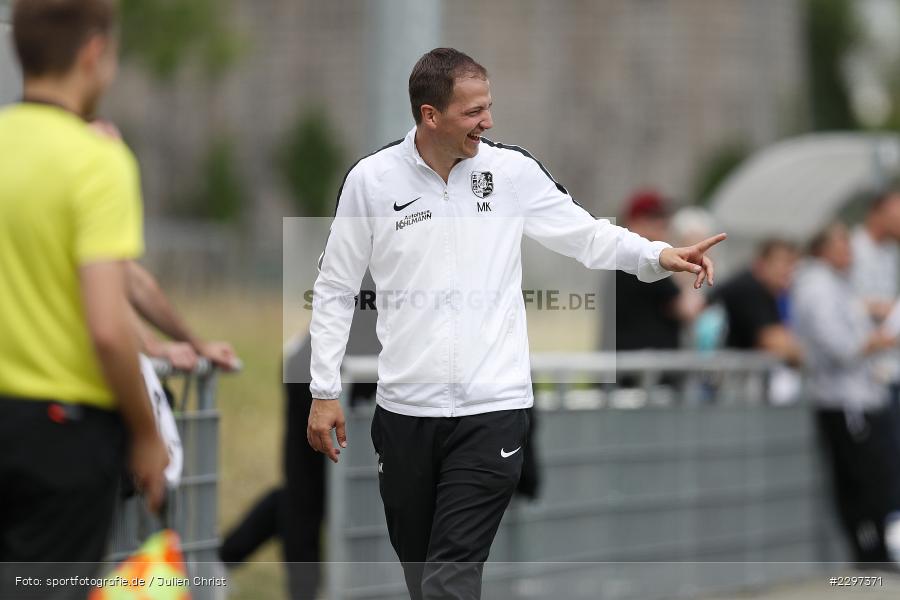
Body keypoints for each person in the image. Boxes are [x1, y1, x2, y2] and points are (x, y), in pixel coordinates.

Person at [305, 48, 726, 600]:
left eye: (489, 107)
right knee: (423, 579)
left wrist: (657, 254)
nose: (489, 121)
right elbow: (334, 289)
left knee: (449, 579)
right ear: (430, 115)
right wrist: (323, 390)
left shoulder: (512, 172)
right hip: (406, 413)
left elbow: (588, 236)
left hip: (494, 411)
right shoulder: (371, 181)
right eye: (473, 111)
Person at [0, 1, 167, 597]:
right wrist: (147, 434)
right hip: (62, 436)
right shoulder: (97, 160)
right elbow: (106, 325)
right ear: (94, 53)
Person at [792, 221, 900, 566]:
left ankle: (874, 554)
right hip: (845, 403)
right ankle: (869, 557)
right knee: (864, 483)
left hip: (860, 398)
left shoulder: (838, 284)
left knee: (875, 480)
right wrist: (878, 341)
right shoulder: (817, 287)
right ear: (823, 249)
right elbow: (839, 346)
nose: (848, 252)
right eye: (841, 245)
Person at [612, 190, 704, 354]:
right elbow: (688, 308)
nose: (664, 223)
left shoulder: (630, 257)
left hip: (637, 364)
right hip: (640, 369)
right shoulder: (643, 259)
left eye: (664, 217)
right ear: (634, 221)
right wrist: (692, 266)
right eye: (654, 217)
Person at [713, 239, 804, 364]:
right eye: (783, 262)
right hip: (727, 373)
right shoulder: (750, 288)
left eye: (792, 263)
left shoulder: (770, 292)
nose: (789, 271)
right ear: (761, 263)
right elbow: (772, 340)